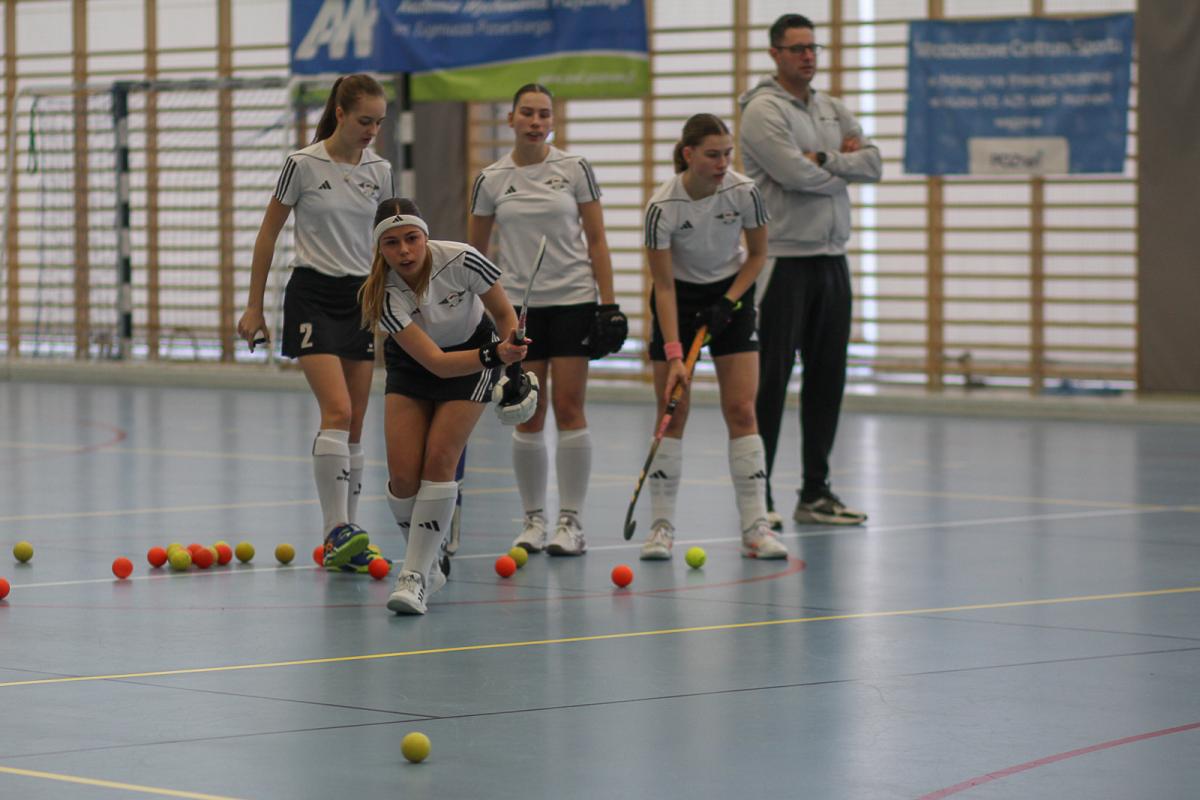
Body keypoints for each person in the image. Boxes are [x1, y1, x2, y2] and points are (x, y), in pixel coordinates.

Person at [236, 74, 394, 572]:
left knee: (357, 421)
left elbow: (389, 242)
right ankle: (334, 531)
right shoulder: (302, 164)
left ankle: (349, 536)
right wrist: (254, 306)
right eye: (365, 120)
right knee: (338, 410)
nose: (372, 130)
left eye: (379, 123)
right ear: (340, 114)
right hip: (313, 296)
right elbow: (268, 233)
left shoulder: (381, 171)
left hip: (361, 299)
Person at [468, 83, 627, 558]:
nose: (536, 122)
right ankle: (533, 519)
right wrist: (478, 314)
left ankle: (570, 522)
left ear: (553, 121)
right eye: (527, 113)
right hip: (520, 310)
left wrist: (608, 305)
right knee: (529, 412)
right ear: (511, 119)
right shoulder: (491, 179)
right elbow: (475, 255)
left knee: (571, 407)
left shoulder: (574, 169)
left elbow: (597, 240)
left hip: (574, 301)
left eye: (544, 114)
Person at [738, 14, 882, 528]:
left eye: (812, 48)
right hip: (783, 263)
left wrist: (822, 158)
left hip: (831, 260)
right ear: (775, 54)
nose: (807, 56)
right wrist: (839, 167)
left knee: (827, 378)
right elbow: (793, 174)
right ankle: (760, 498)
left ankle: (815, 492)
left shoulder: (831, 108)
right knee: (771, 382)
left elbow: (874, 164)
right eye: (797, 48)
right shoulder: (762, 110)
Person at [359, 198, 533, 615]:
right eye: (392, 243)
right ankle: (429, 562)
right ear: (380, 248)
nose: (404, 251)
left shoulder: (463, 259)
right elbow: (435, 363)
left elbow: (503, 312)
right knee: (403, 477)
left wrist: (514, 364)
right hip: (417, 363)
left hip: (474, 354)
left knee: (440, 459)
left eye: (412, 238)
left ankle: (414, 575)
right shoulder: (381, 293)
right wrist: (497, 356)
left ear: (425, 236)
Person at [639, 113, 787, 560]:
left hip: (731, 295)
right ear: (688, 154)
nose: (723, 163)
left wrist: (728, 302)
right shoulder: (662, 207)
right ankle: (661, 527)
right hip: (679, 301)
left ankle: (755, 527)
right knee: (673, 412)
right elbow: (663, 287)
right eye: (712, 155)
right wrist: (675, 355)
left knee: (741, 409)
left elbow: (758, 255)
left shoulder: (744, 192)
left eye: (727, 154)